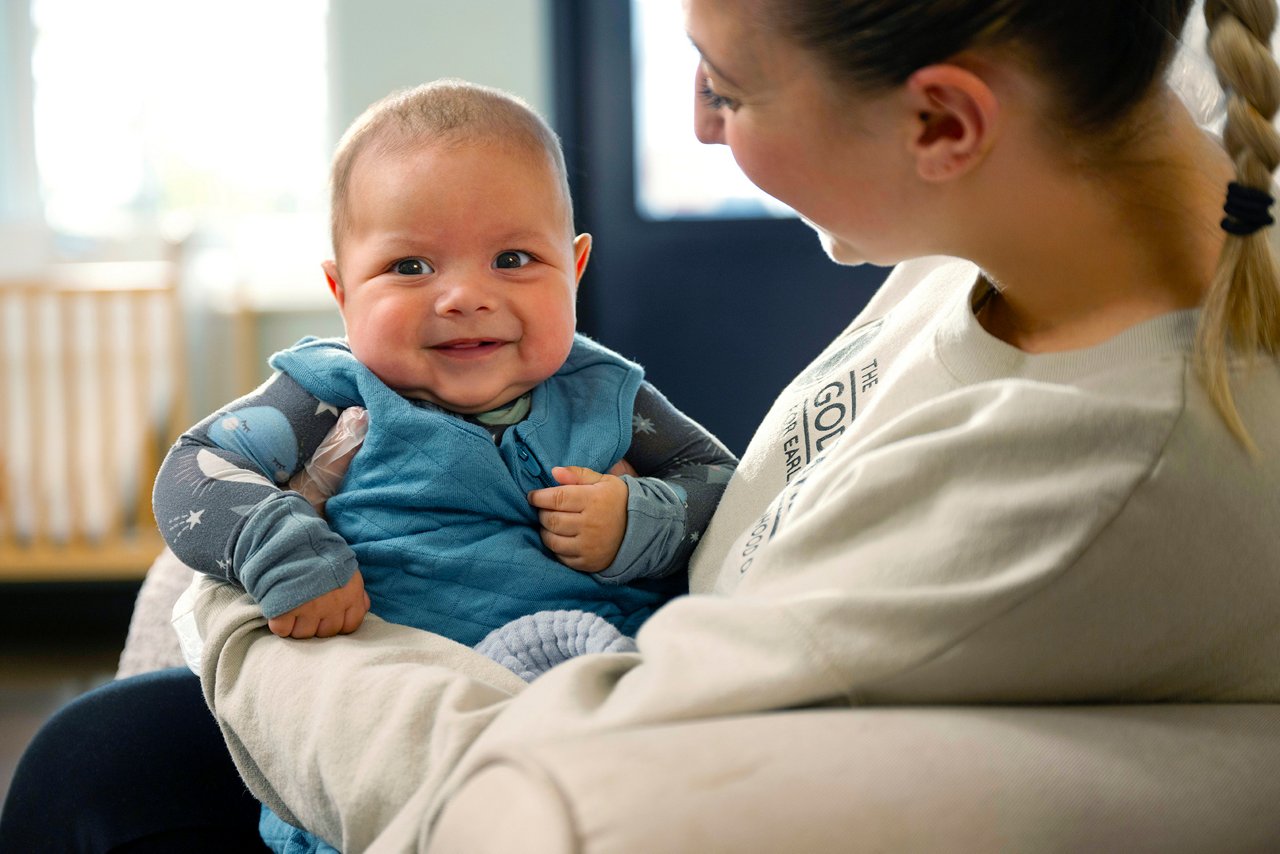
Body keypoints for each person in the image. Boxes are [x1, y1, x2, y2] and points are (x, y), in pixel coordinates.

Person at [4, 0, 1280, 850]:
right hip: (576, 659)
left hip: (556, 716)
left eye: (726, 86)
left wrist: (226, 598)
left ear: (942, 121)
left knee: (94, 772)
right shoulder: (995, 250)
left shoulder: (1080, 477)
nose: (695, 125)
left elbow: (531, 793)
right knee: (98, 755)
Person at [152, 78, 735, 854]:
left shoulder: (604, 393)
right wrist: (284, 547)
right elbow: (197, 469)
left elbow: (723, 483)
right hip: (390, 718)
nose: (464, 295)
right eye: (410, 267)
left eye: (514, 258)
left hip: (589, 700)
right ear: (341, 289)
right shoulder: (331, 391)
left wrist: (644, 517)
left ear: (575, 267)